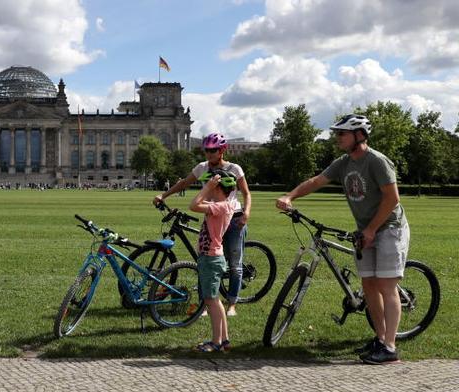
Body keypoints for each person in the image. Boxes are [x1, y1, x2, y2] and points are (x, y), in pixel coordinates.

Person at [276, 114, 409, 364]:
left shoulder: (377, 161)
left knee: (385, 285)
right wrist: (290, 195)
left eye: (342, 134)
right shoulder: (343, 163)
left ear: (359, 135)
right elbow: (316, 181)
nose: (336, 138)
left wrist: (371, 229)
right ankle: (380, 338)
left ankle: (390, 348)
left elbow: (392, 199)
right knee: (368, 285)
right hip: (366, 230)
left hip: (390, 228)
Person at [153, 132, 251, 316]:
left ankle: (232, 304)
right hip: (213, 217)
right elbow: (184, 183)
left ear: (222, 150)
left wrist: (246, 212)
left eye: (213, 150)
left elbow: (246, 193)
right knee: (204, 261)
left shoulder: (234, 168)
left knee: (235, 264)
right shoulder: (202, 168)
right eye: (206, 150)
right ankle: (204, 304)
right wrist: (163, 195)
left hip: (234, 218)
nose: (209, 153)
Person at [188, 169, 239, 352]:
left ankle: (216, 342)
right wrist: (210, 188)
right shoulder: (223, 204)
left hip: (211, 258)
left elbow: (193, 205)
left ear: (216, 186)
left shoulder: (221, 207)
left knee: (211, 301)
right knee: (215, 300)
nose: (205, 188)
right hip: (212, 257)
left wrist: (207, 187)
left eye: (208, 185)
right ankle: (224, 340)